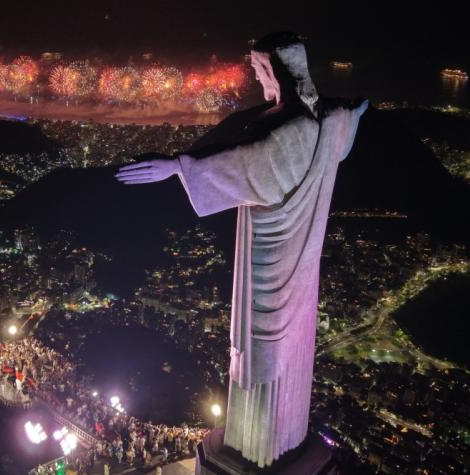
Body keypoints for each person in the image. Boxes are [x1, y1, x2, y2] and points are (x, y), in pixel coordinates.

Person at [116, 31, 368, 467]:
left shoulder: (290, 128)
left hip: (269, 255)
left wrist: (176, 166)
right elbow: (345, 120)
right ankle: (278, 439)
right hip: (303, 262)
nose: (255, 75)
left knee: (260, 346)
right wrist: (357, 110)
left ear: (274, 69)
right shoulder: (328, 120)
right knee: (288, 345)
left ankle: (258, 447)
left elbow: (245, 159)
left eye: (257, 68)